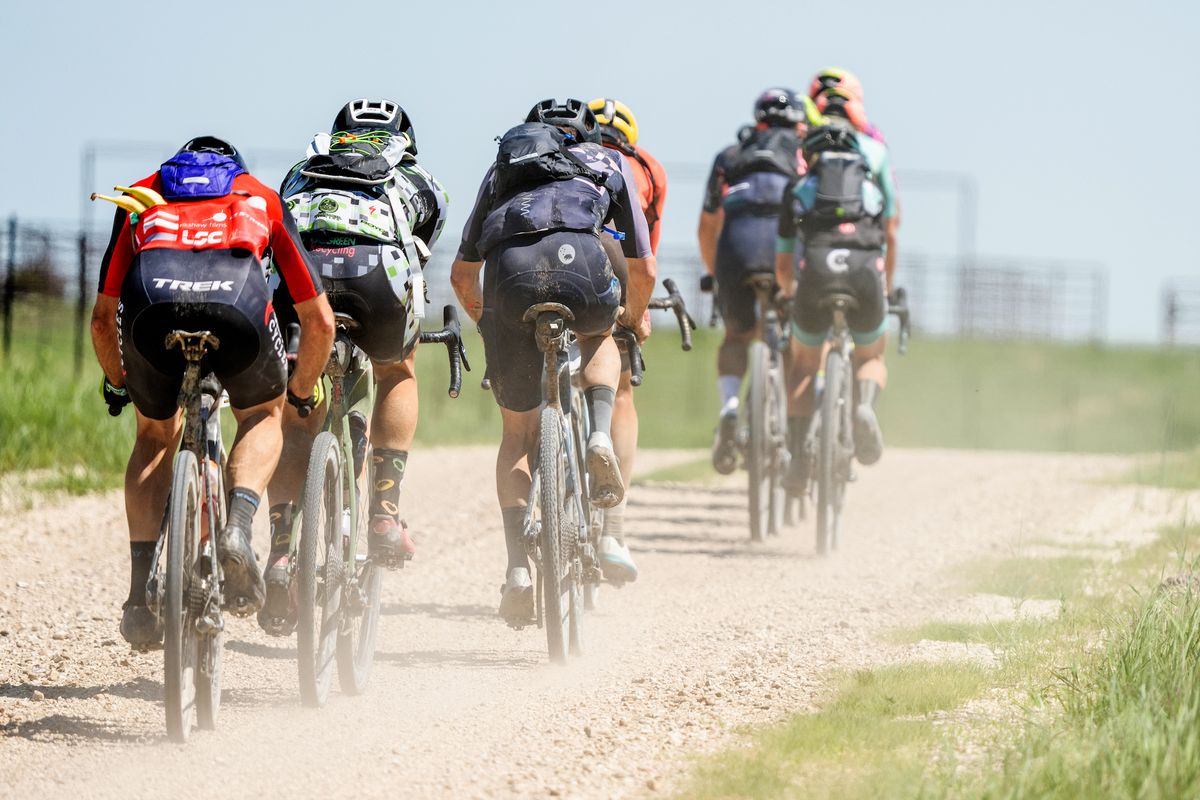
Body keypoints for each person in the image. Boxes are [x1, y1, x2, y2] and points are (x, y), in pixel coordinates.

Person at [91, 136, 334, 646]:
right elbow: (319, 320)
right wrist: (300, 396)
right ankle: (239, 527)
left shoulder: (141, 195)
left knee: (155, 437)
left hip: (152, 313)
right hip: (237, 311)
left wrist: (118, 383)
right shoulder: (260, 196)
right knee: (261, 418)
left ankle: (139, 598)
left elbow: (100, 318)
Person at [450, 99, 656, 623]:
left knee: (517, 437)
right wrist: (632, 318)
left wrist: (488, 323)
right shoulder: (609, 163)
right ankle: (599, 435)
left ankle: (518, 569)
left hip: (510, 276)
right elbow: (643, 266)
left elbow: (461, 275)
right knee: (599, 338)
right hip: (582, 266)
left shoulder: (504, 167)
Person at [262, 99, 450, 626]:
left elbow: (280, 223)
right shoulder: (416, 175)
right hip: (375, 278)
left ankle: (281, 549)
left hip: (305, 281)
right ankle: (385, 514)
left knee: (296, 406)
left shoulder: (303, 167)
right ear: (404, 138)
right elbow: (422, 246)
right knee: (398, 370)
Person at [775, 89, 900, 484]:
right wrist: (886, 286)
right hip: (864, 273)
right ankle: (864, 405)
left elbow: (783, 262)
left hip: (817, 273)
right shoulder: (873, 183)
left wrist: (792, 293)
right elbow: (891, 235)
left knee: (803, 367)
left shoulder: (799, 188)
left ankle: (797, 460)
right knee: (871, 357)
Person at [697, 88, 810, 474]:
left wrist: (715, 274)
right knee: (793, 340)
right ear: (798, 123)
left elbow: (707, 226)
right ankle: (792, 431)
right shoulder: (803, 155)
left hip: (737, 249)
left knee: (736, 336)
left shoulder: (731, 156)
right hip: (782, 249)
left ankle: (730, 410)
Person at [586, 97, 668, 583]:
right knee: (620, 390)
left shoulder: (563, 155)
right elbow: (647, 250)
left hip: (547, 262)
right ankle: (614, 530)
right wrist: (636, 317)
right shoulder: (647, 168)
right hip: (615, 264)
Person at [808, 66, 888, 144]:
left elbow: (879, 143)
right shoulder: (805, 121)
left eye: (840, 96)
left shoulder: (869, 135)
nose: (833, 101)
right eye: (820, 94)